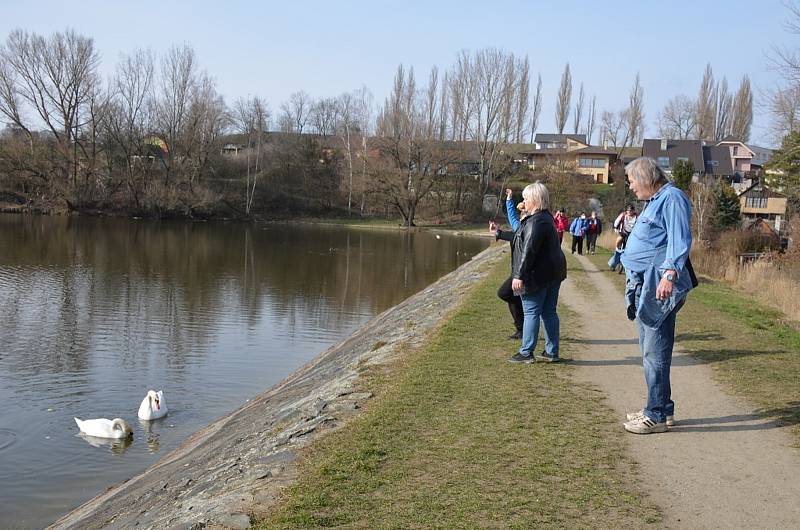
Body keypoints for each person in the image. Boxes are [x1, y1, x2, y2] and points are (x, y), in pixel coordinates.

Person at [621, 157, 693, 435]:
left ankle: (656, 416)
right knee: (650, 350)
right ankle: (661, 406)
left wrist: (669, 274)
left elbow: (680, 239)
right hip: (646, 285)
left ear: (646, 177)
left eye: (632, 181)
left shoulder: (672, 198)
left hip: (659, 286)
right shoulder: (655, 200)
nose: (631, 187)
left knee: (655, 352)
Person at [508, 182, 567, 364]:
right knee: (549, 312)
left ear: (534, 199)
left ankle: (526, 352)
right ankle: (551, 352)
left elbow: (529, 251)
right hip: (552, 274)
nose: (524, 201)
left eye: (526, 198)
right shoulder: (545, 218)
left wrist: (519, 276)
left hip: (538, 276)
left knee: (532, 312)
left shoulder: (536, 222)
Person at [489, 188, 525, 339]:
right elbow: (512, 220)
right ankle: (521, 329)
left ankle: (524, 330)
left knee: (506, 293)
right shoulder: (520, 226)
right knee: (510, 295)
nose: (521, 214)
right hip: (517, 271)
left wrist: (499, 233)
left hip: (524, 272)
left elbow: (517, 235)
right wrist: (509, 199)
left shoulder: (532, 225)